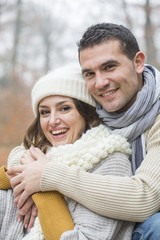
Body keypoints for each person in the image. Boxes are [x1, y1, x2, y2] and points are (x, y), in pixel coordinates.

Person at [8, 23, 160, 240]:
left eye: (109, 67)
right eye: (89, 73)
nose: (100, 83)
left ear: (138, 62)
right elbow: (35, 145)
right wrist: (27, 170)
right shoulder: (98, 109)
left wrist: (47, 177)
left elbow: (145, 197)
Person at [1, 64, 134, 239]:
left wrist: (43, 184)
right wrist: (18, 175)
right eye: (45, 112)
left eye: (64, 108)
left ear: (86, 113)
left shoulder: (110, 161)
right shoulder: (38, 157)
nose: (53, 121)